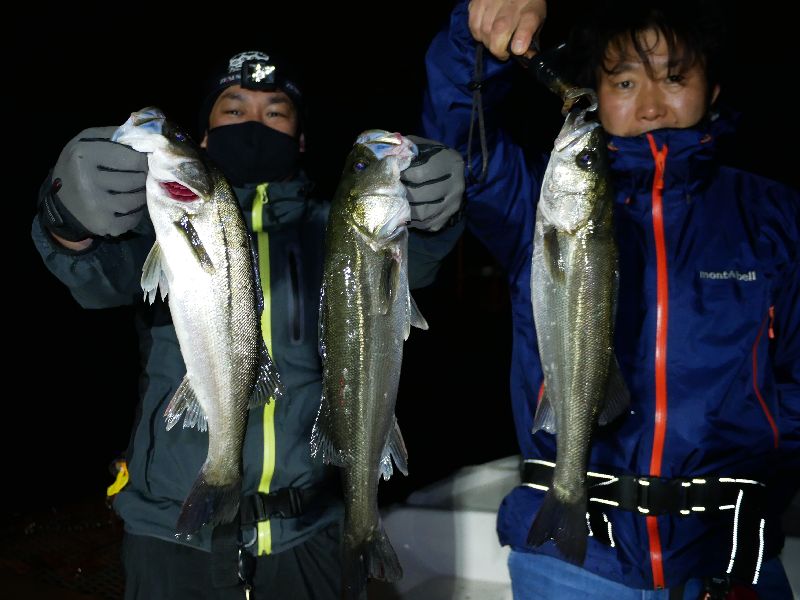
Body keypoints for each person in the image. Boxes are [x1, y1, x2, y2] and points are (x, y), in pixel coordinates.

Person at [32, 49, 465, 599]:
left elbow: (412, 263)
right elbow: (96, 278)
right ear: (203, 137)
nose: (254, 123)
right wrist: (67, 220)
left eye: (275, 112)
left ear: (301, 139)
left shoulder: (334, 227)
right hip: (170, 530)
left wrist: (434, 214)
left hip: (308, 530)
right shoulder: (157, 222)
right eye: (234, 109)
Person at [421, 0, 799, 598]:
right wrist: (475, 38)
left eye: (674, 78)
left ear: (712, 90)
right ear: (594, 93)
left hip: (729, 558)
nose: (650, 105)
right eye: (624, 82)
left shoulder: (772, 214)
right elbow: (467, 147)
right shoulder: (540, 202)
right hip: (570, 562)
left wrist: (763, 479)